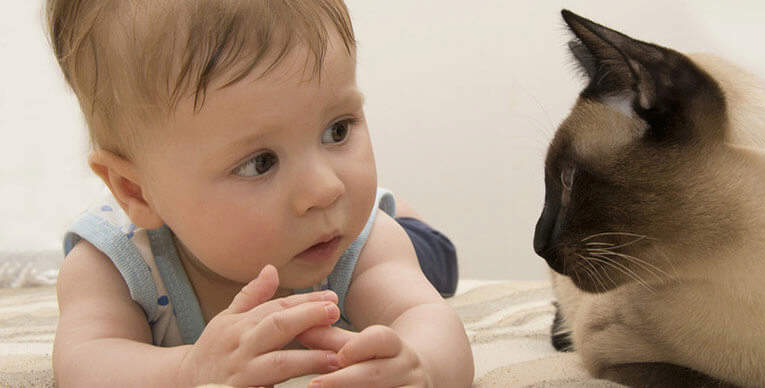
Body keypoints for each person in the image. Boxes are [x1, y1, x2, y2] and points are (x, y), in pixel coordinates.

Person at [46, 1, 472, 386]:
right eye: (260, 163)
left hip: (373, 235)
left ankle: (406, 218)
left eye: (337, 130)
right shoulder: (117, 265)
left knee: (429, 260)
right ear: (136, 191)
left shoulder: (362, 245)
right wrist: (188, 371)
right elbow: (84, 363)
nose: (326, 188)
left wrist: (424, 368)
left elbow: (426, 318)